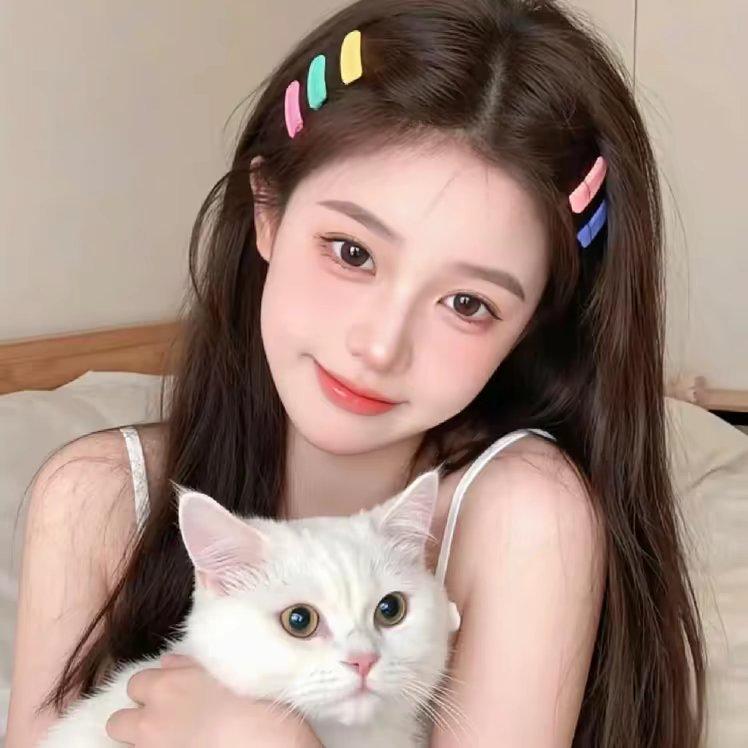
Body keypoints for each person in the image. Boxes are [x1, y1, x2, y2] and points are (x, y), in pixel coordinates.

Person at [7, 0, 706, 745]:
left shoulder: (525, 511)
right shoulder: (97, 496)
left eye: (467, 303)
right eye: (352, 253)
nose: (380, 346)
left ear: (530, 326)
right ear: (267, 209)